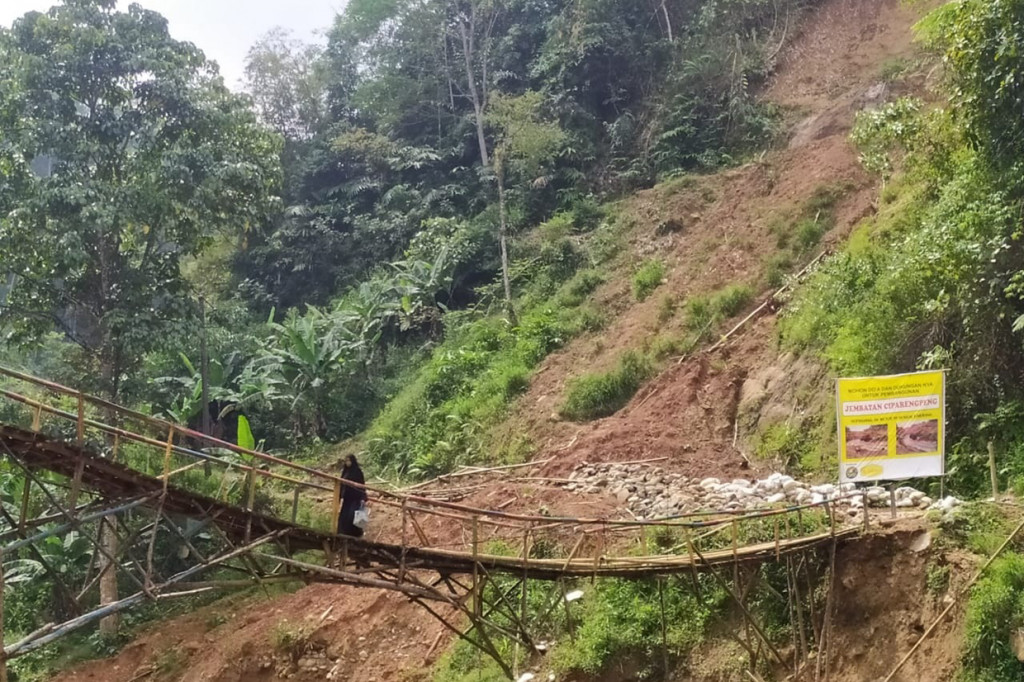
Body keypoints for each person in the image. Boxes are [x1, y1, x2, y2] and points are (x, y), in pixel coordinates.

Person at [338, 454, 368, 537]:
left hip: (356, 498)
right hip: (347, 499)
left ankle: (355, 535)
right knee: (344, 517)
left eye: (349, 460)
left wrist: (363, 497)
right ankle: (343, 534)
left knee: (352, 516)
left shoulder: (357, 471)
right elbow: (341, 484)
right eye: (346, 461)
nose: (347, 462)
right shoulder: (345, 472)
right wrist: (339, 496)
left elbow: (362, 484)